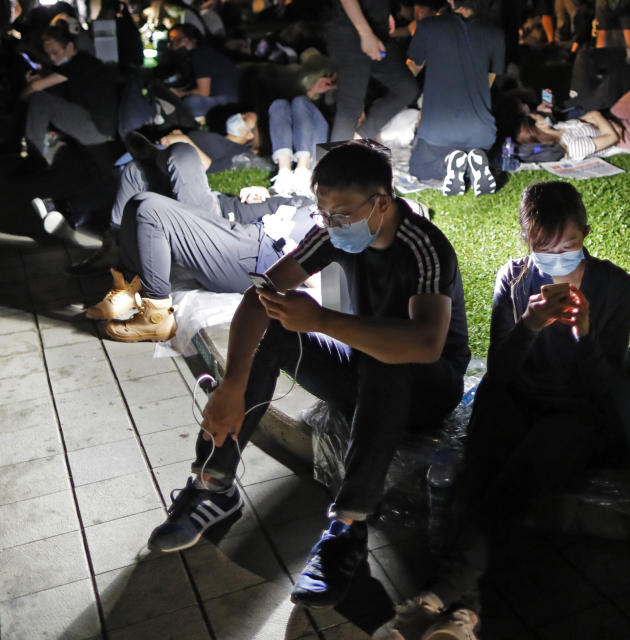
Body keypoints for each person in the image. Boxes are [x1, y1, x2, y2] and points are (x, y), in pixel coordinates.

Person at [146, 141, 470, 611]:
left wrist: (322, 321)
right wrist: (232, 385)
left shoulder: (424, 247)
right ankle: (214, 485)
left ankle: (348, 529)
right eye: (322, 211)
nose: (329, 224)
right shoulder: (335, 234)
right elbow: (259, 297)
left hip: (428, 385)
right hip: (365, 369)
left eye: (340, 214)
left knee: (385, 354)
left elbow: (425, 343)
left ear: (381, 203)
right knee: (277, 324)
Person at [372, 180, 630, 640]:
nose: (557, 261)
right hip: (513, 397)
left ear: (586, 234)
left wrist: (584, 334)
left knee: (515, 482)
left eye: (568, 246)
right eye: (543, 250)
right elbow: (502, 370)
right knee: (476, 479)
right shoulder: (514, 279)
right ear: (527, 243)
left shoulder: (614, 287)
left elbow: (600, 384)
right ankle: (463, 617)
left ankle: (434, 600)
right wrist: (529, 325)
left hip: (575, 411)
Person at [81, 141, 315, 342]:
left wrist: (291, 250)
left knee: (159, 192)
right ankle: (130, 279)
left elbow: (323, 277)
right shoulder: (327, 203)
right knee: (137, 174)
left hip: (258, 246)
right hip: (232, 215)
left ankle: (156, 317)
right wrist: (267, 194)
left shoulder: (342, 225)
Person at [406, 0, 504, 196]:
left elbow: (411, 70)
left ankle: (449, 163)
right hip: (481, 132)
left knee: (418, 167)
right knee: (481, 149)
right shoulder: (495, 33)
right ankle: (474, 162)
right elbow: (492, 79)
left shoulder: (428, 26)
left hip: (438, 132)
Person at [20, 22, 117, 164]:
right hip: (99, 126)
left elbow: (36, 86)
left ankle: (35, 158)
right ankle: (42, 149)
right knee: (43, 98)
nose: (52, 58)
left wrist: (24, 95)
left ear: (70, 46)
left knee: (39, 99)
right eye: (49, 54)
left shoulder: (78, 64)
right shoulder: (81, 62)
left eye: (55, 53)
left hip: (97, 129)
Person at [326, 0, 418, 141]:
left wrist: (386, 14)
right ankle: (333, 161)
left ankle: (360, 138)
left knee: (407, 88)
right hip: (352, 35)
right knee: (350, 109)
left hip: (378, 33)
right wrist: (365, 32)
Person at [268, 72, 336, 197]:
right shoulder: (318, 94)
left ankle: (304, 173)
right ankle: (284, 174)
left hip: (328, 146)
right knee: (279, 105)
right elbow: (302, 112)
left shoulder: (352, 92)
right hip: (302, 145)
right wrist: (313, 91)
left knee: (300, 101)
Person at [168, 23, 240, 118]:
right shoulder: (200, 54)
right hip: (223, 99)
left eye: (179, 40)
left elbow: (203, 91)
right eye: (172, 42)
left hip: (226, 102)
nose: (175, 45)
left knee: (191, 103)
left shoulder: (200, 55)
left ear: (193, 39)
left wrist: (180, 94)